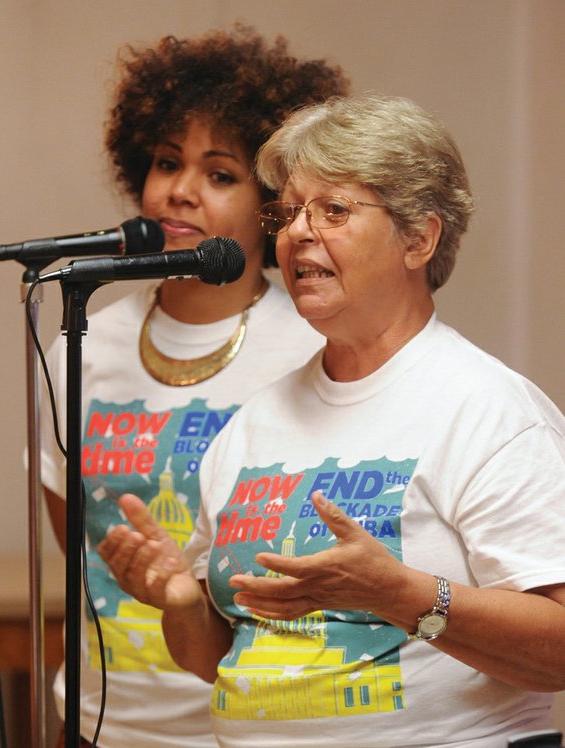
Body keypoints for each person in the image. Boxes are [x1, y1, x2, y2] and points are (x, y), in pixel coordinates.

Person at [98, 95, 565, 748]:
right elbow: (224, 657)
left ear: (420, 238)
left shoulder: (489, 412)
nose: (297, 233)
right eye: (287, 213)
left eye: (334, 210)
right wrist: (178, 598)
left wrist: (403, 596)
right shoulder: (252, 427)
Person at [40, 26, 350, 748]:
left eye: (220, 174)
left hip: (251, 723)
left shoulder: (315, 346)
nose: (180, 190)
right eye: (166, 162)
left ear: (272, 202)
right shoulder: (81, 343)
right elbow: (76, 538)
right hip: (98, 722)